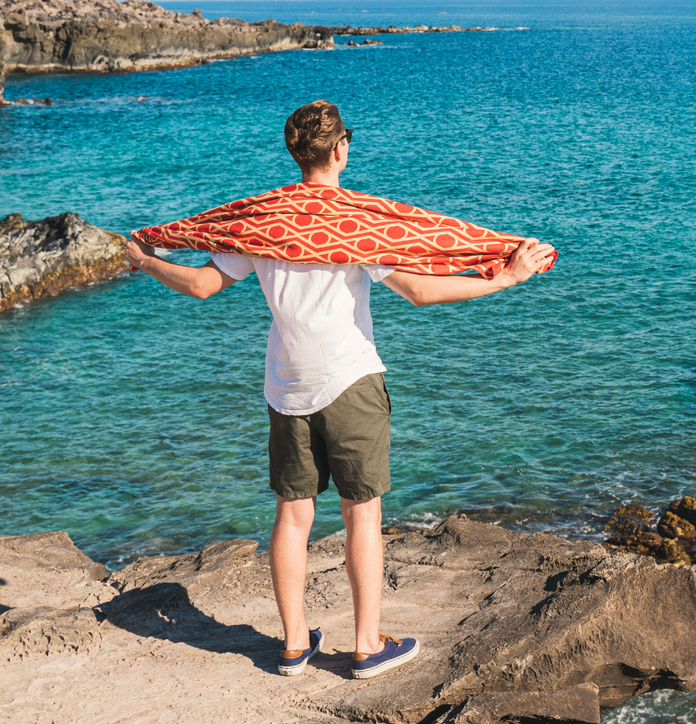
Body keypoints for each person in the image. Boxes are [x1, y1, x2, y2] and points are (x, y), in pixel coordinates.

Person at [125, 100, 555, 679]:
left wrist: (145, 261)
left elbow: (203, 285)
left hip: (285, 386)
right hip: (350, 380)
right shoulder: (359, 222)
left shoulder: (261, 220)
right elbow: (423, 290)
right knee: (362, 516)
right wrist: (505, 276)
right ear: (340, 149)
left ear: (295, 152)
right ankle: (366, 646)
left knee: (293, 516)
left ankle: (294, 646)